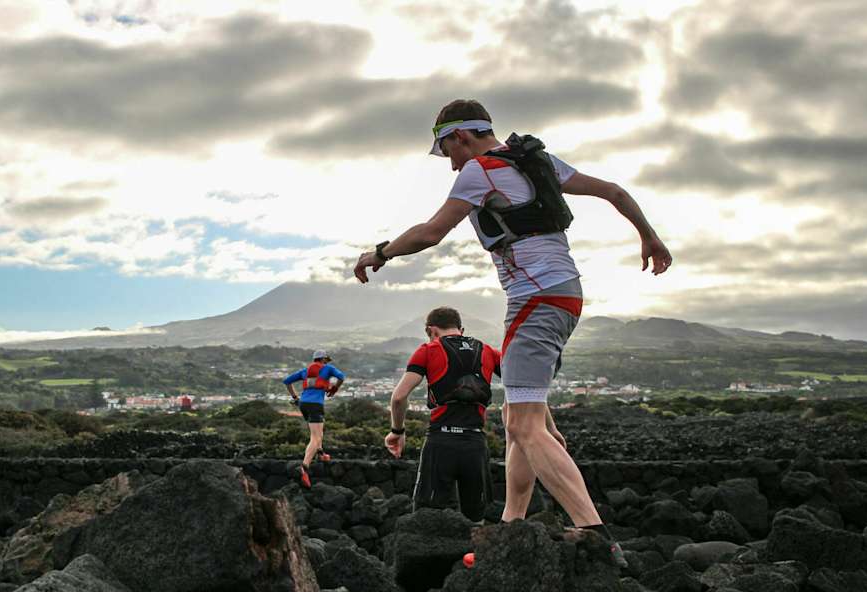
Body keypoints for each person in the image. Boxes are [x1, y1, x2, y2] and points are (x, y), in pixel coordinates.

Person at [353, 99, 673, 566]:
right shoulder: (535, 160)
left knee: (525, 425)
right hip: (564, 296)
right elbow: (614, 191)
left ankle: (597, 537)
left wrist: (379, 254)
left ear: (460, 136)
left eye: (447, 152)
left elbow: (431, 233)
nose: (451, 164)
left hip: (536, 300)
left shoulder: (479, 169)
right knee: (518, 418)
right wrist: (649, 235)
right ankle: (511, 525)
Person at [386, 307, 501, 522]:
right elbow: (521, 379)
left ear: (432, 331)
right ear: (461, 329)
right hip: (475, 444)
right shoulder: (486, 351)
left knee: (425, 518)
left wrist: (397, 431)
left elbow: (399, 397)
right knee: (476, 520)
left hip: (440, 442)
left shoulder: (428, 350)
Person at [283, 350, 346, 488]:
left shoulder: (305, 371)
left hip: (303, 404)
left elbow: (287, 381)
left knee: (318, 431)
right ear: (323, 359)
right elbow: (341, 377)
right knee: (315, 437)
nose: (326, 362)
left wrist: (295, 397)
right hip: (315, 405)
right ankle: (304, 467)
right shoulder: (328, 369)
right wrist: (335, 388)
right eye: (326, 360)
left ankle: (321, 453)